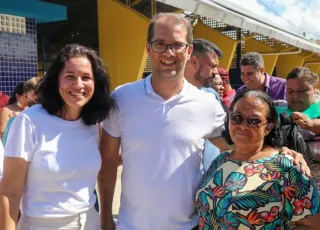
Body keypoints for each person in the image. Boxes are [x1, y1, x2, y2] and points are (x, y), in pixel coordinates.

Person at [98, 13, 309, 230]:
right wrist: (105, 218)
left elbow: (239, 143)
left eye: (177, 45)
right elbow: (107, 164)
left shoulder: (205, 103)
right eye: (160, 44)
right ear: (148, 48)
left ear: (189, 51)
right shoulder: (122, 98)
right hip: (130, 226)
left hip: (190, 226)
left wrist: (281, 152)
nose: (169, 53)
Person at [0, 44, 115, 229]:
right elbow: (9, 192)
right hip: (43, 224)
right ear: (56, 81)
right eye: (70, 77)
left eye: (86, 77)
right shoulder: (30, 121)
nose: (78, 84)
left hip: (89, 222)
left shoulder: (94, 123)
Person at [196, 90, 320, 229]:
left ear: (268, 127)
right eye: (237, 117)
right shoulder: (220, 160)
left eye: (254, 121)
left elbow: (313, 225)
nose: (243, 125)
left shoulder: (286, 166)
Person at [276, 67, 320, 190]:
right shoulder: (275, 109)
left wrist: (311, 124)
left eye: (301, 90)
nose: (295, 96)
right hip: (284, 188)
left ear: (314, 88)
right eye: (290, 91)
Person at [185, 38, 225, 172]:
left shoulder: (211, 95)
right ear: (194, 62)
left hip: (209, 181)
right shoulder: (164, 98)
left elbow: (226, 140)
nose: (216, 72)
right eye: (213, 66)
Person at [1, 77, 42, 147]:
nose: (27, 99)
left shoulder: (31, 109)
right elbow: (2, 134)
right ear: (17, 96)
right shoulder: (6, 110)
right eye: (24, 96)